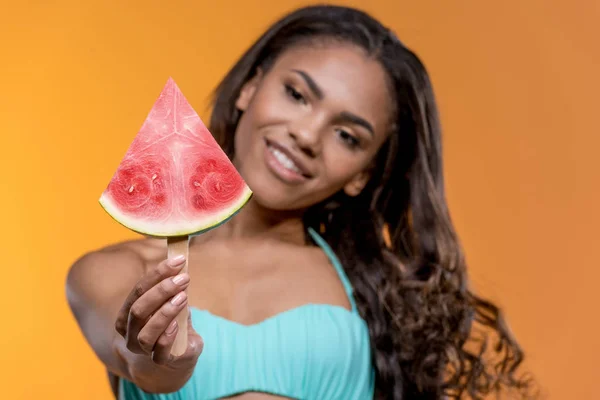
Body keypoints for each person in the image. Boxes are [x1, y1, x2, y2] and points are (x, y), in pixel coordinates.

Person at [66, 4, 534, 400]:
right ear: (250, 87)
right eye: (296, 94)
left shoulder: (385, 293)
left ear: (362, 175)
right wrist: (165, 364)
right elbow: (136, 360)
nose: (307, 136)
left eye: (347, 136)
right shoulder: (115, 271)